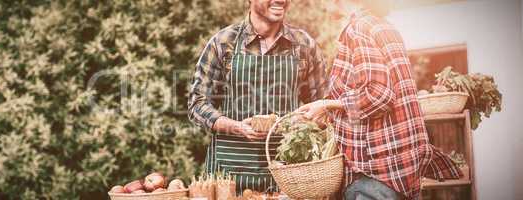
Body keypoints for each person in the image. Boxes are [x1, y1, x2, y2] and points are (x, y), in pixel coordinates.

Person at [297, 0, 462, 199]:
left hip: (375, 174)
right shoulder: (383, 26)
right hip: (398, 169)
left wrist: (327, 104)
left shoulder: (358, 29)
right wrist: (332, 112)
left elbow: (379, 95)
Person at [188, 0, 326, 194]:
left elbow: (324, 107)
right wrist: (235, 126)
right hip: (228, 178)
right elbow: (197, 104)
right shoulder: (223, 42)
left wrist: (301, 122)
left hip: (287, 175)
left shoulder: (304, 45)